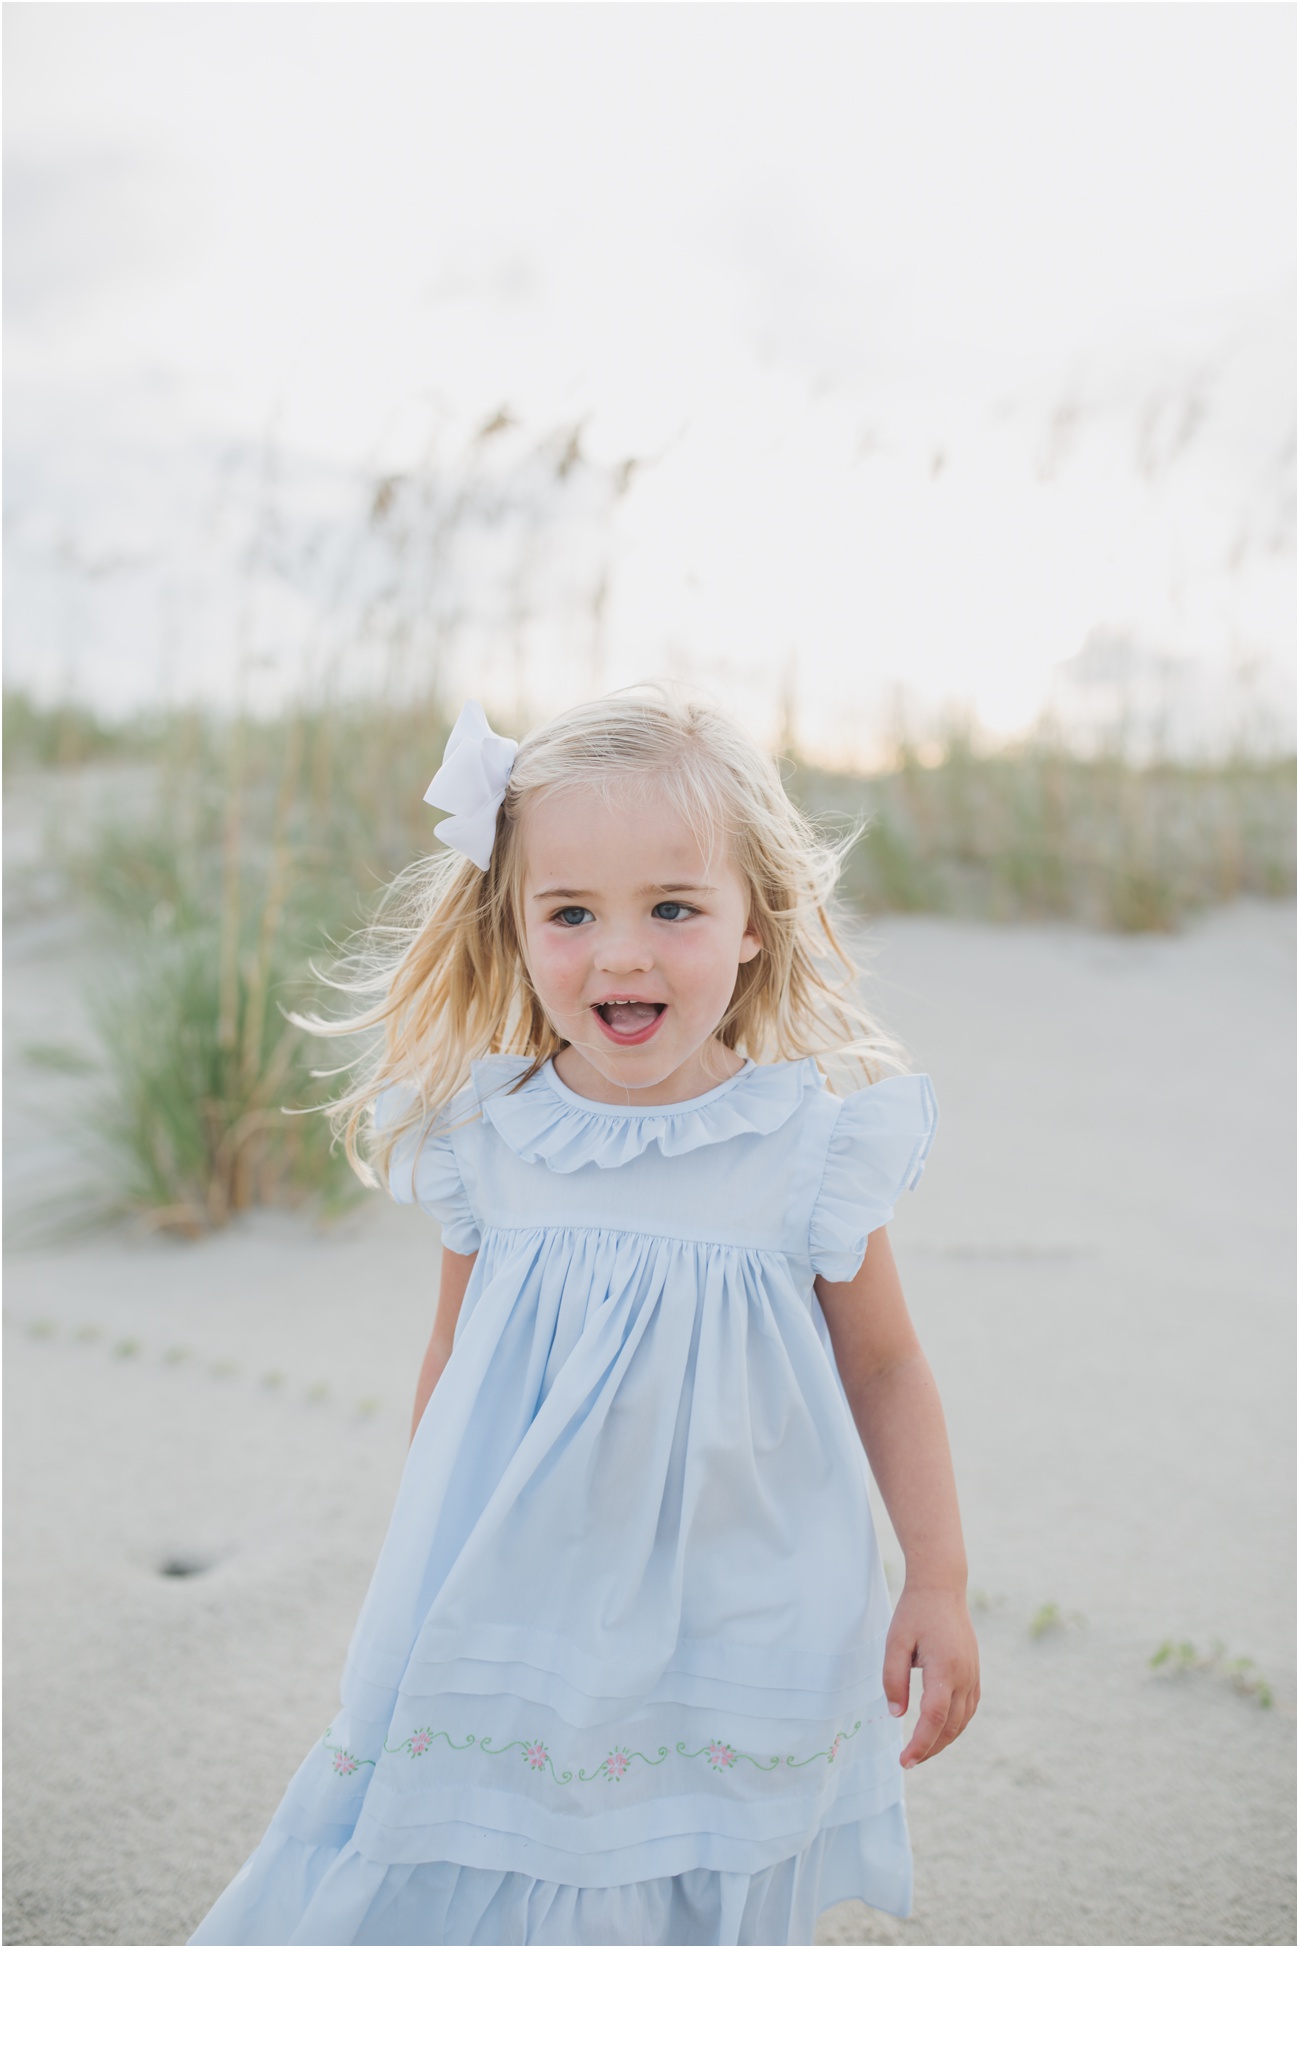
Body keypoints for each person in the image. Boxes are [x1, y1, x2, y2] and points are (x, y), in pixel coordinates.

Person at [189, 685, 979, 1946]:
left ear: (755, 925)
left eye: (674, 908)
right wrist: (425, 1556)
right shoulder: (489, 1139)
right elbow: (453, 1361)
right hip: (522, 1593)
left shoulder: (806, 1149)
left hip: (738, 1596)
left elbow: (884, 1363)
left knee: (679, 1866)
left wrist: (934, 1574)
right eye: (571, 912)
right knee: (475, 1857)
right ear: (513, 928)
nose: (622, 954)